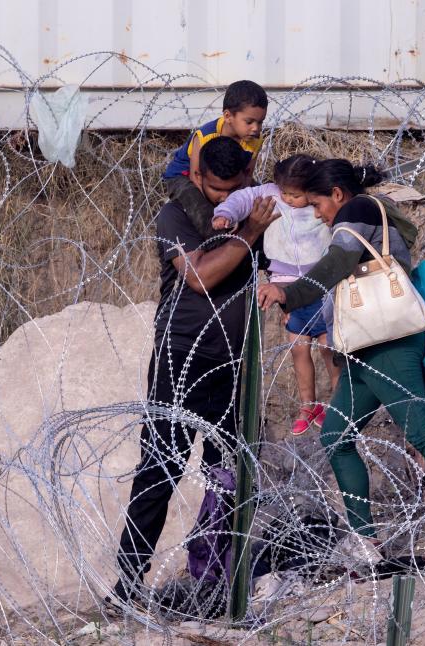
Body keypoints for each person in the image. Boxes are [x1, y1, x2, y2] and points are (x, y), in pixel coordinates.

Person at [257, 159, 425, 573]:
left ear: (338, 195)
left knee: (423, 434)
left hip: (387, 344)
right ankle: (365, 540)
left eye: (316, 204)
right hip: (364, 346)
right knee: (335, 434)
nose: (315, 214)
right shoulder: (371, 213)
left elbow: (336, 264)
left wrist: (288, 293)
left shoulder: (356, 213)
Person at [106, 136, 280, 613]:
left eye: (232, 188)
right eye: (214, 189)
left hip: (233, 364)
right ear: (197, 177)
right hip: (181, 359)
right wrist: (249, 235)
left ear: (245, 177)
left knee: (231, 474)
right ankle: (126, 584)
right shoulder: (176, 216)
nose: (223, 199)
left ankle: (216, 578)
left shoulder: (254, 209)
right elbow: (201, 275)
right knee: (160, 471)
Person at [212, 154, 341, 435]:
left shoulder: (319, 202)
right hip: (285, 286)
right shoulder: (272, 194)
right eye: (285, 193)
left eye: (296, 195)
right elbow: (242, 199)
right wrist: (225, 214)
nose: (289, 199)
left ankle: (341, 403)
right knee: (299, 349)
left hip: (322, 283)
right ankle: (308, 404)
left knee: (329, 349)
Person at [161, 80, 268, 232]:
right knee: (199, 205)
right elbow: (196, 177)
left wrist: (234, 205)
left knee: (261, 196)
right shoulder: (205, 136)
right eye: (249, 122)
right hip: (184, 176)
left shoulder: (255, 140)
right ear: (228, 116)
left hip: (226, 180)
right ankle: (216, 239)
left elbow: (247, 177)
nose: (255, 128)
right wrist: (219, 207)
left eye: (260, 122)